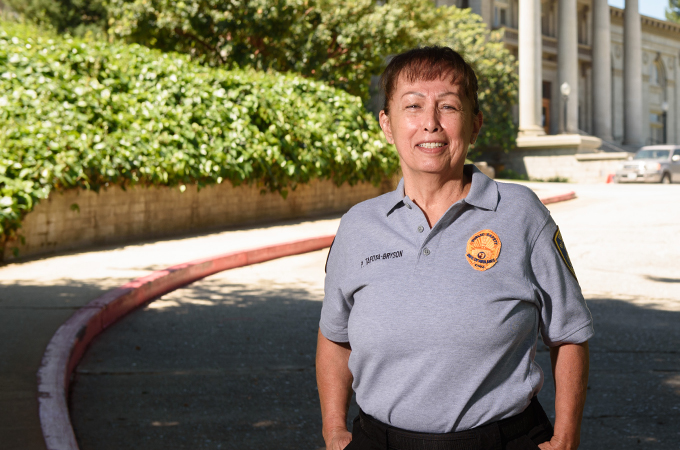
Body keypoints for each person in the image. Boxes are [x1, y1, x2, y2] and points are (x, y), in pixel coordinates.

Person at [316, 46, 593, 450]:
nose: (430, 123)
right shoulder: (359, 225)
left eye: (448, 107)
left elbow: (570, 333)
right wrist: (333, 431)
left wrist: (566, 437)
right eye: (412, 106)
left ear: (475, 124)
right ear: (387, 125)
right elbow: (334, 337)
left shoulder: (520, 213)